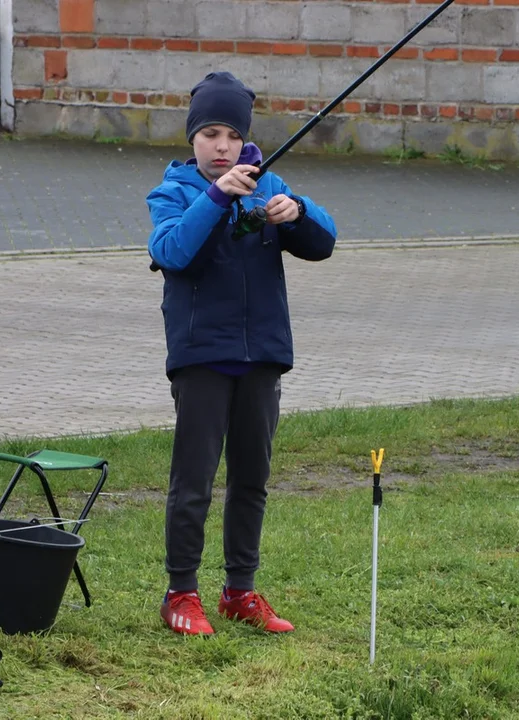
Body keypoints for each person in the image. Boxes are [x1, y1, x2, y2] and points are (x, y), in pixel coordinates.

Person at [145, 71, 338, 636]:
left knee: (251, 479)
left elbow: (324, 243)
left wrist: (296, 210)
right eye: (209, 134)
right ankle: (181, 593)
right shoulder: (174, 193)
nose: (221, 146)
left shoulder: (268, 181)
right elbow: (175, 251)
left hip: (261, 358)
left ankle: (240, 591)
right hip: (202, 357)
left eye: (231, 134)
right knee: (194, 483)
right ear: (192, 140)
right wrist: (217, 195)